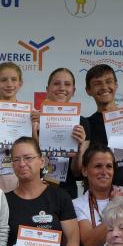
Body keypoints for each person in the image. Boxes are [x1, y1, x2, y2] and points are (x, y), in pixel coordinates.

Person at [0, 62, 38, 193]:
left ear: (20, 83)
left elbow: (38, 148)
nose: (9, 84)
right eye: (4, 80)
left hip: (23, 174)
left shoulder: (31, 113)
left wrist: (36, 127)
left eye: (14, 79)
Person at [36, 67, 89, 199]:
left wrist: (79, 148)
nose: (61, 88)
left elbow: (77, 172)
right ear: (47, 88)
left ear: (73, 91)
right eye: (56, 83)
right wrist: (33, 130)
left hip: (67, 192)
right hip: (36, 188)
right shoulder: (35, 119)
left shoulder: (82, 123)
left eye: (67, 84)